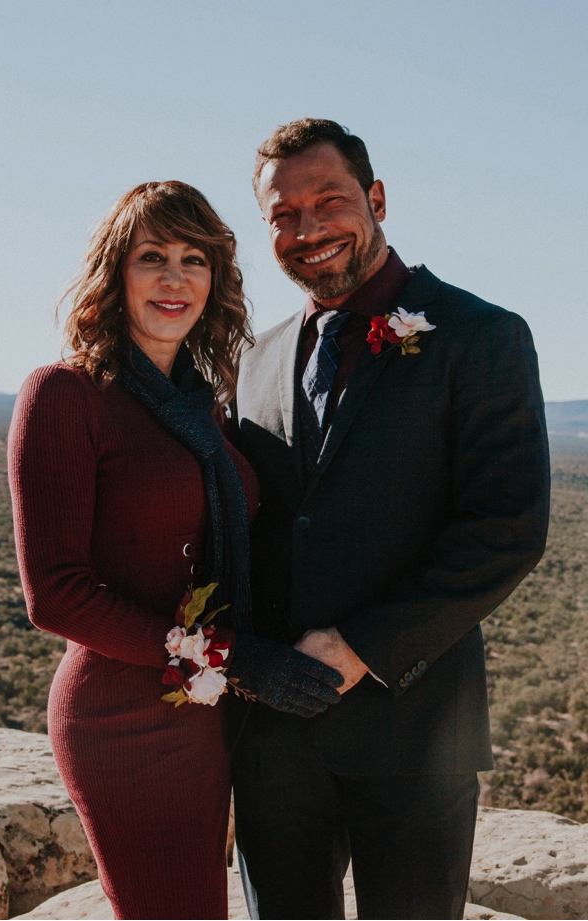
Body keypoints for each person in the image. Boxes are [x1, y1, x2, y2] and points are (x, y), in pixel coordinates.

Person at [229, 119, 549, 919]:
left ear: (375, 198)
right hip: (272, 744)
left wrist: (362, 648)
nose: (307, 229)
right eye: (282, 215)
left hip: (416, 738)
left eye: (328, 201)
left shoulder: (482, 336)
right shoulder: (254, 358)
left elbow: (507, 525)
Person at [9, 181, 345, 918]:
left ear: (215, 279)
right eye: (151, 256)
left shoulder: (206, 407)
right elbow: (55, 594)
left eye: (195, 258)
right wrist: (235, 658)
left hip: (211, 720)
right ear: (113, 273)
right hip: (125, 723)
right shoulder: (66, 395)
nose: (174, 277)